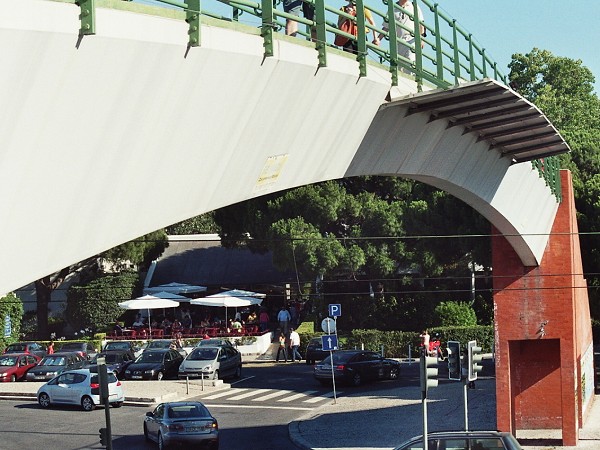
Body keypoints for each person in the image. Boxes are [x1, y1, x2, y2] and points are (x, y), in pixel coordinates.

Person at [376, 0, 425, 71]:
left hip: (411, 41)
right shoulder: (392, 8)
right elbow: (386, 27)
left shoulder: (414, 6)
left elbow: (421, 24)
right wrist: (378, 39)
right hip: (398, 43)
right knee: (399, 69)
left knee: (410, 63)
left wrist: (422, 39)